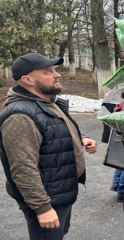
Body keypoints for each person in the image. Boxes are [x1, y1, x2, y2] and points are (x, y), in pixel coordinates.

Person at [0, 53, 97, 240]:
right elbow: (23, 168)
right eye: (48, 71)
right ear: (27, 80)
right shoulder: (20, 115)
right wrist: (42, 208)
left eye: (54, 70)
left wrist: (81, 138)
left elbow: (53, 129)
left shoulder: (46, 102)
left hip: (59, 191)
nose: (57, 75)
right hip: (46, 198)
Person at [101, 103, 124, 201]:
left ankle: (116, 184)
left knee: (122, 161)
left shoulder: (123, 103)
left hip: (119, 134)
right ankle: (123, 192)